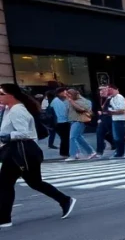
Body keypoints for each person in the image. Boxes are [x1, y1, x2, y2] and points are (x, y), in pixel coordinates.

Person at [0, 83, 76, 228]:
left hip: (21, 151)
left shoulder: (17, 110)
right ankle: (65, 200)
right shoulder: (9, 109)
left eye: (1, 93)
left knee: (5, 184)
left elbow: (24, 133)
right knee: (33, 182)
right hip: (19, 151)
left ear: (11, 95)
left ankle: (4, 219)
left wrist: (5, 136)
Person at [65, 88, 96, 161]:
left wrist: (71, 101)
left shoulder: (83, 101)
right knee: (78, 137)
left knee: (72, 137)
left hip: (79, 120)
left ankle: (73, 154)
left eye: (69, 95)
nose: (68, 96)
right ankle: (90, 151)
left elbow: (81, 109)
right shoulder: (70, 101)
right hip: (73, 120)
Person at [50, 88, 70, 156]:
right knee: (65, 138)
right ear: (59, 93)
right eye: (64, 92)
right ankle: (65, 152)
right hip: (62, 121)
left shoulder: (59, 100)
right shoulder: (58, 101)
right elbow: (64, 112)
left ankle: (64, 152)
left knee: (64, 138)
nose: (66, 93)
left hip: (60, 121)